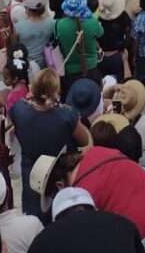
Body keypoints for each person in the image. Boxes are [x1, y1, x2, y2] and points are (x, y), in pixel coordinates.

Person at [8, 69, 90, 218]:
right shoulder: (66, 115)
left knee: (32, 216)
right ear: (55, 92)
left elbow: (12, 124)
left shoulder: (19, 109)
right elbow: (85, 140)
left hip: (30, 172)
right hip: (56, 173)